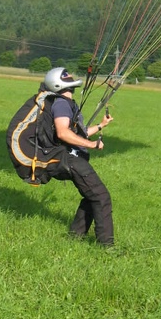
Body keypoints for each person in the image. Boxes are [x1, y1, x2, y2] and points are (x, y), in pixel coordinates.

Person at [44, 67, 115, 246]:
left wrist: (100, 126)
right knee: (101, 197)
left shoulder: (66, 104)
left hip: (72, 157)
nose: (72, 83)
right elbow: (63, 133)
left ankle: (75, 237)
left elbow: (77, 135)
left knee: (91, 196)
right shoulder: (61, 104)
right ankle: (106, 247)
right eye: (67, 80)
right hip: (70, 159)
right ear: (59, 84)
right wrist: (92, 144)